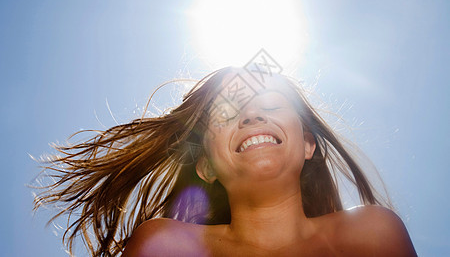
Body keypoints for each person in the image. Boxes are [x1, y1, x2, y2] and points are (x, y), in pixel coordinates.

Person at [34, 66, 416, 256]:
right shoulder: (166, 244)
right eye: (228, 115)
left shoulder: (372, 234)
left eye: (270, 105)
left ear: (308, 146)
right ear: (207, 167)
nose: (251, 117)